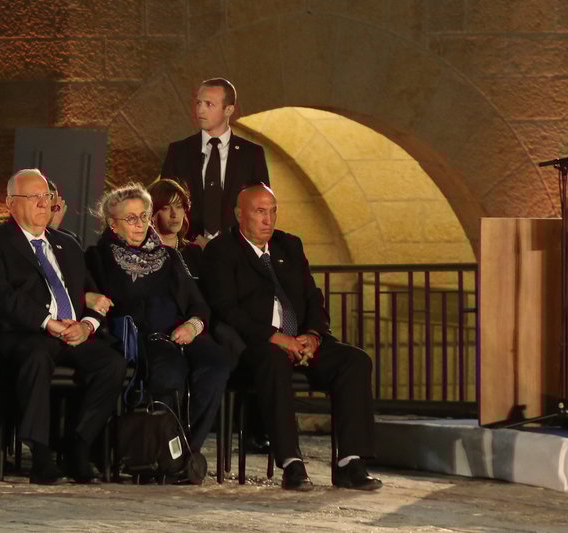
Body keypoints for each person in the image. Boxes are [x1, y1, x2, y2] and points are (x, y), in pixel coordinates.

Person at [203, 184, 381, 491]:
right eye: (260, 212)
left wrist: (312, 335)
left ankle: (350, 462)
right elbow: (225, 308)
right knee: (273, 361)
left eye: (273, 211)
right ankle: (291, 463)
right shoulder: (222, 250)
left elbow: (313, 298)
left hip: (300, 340)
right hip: (257, 345)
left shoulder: (289, 245)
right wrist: (275, 338)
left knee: (355, 361)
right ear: (239, 214)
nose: (268, 219)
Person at [0, 168, 124, 485]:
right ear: (11, 203)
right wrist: (47, 322)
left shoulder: (67, 243)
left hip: (71, 333)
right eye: (34, 197)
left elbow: (93, 296)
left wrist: (87, 326)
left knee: (111, 363)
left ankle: (79, 445)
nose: (44, 204)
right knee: (36, 357)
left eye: (47, 196)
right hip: (22, 333)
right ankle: (41, 454)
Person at [85, 182, 231, 461]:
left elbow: (198, 304)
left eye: (143, 216)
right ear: (113, 224)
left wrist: (193, 326)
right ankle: (160, 453)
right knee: (170, 369)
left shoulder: (169, 256)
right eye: (131, 218)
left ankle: (184, 451)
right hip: (136, 336)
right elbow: (91, 298)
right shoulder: (98, 257)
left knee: (216, 363)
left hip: (179, 332)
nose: (140, 224)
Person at [160, 77, 270, 239]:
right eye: (198, 103)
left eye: (209, 104)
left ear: (229, 110)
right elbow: (163, 202)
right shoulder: (179, 152)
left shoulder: (252, 154)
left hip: (236, 248)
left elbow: (262, 206)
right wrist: (193, 239)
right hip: (189, 246)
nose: (200, 110)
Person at [149, 177, 204, 279]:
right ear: (152, 214)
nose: (174, 214)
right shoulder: (143, 254)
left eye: (179, 206)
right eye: (166, 208)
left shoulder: (194, 252)